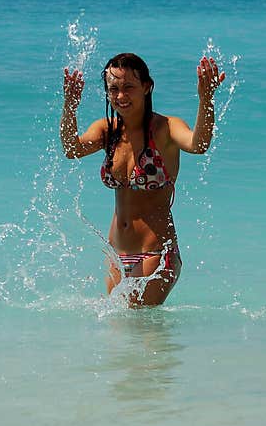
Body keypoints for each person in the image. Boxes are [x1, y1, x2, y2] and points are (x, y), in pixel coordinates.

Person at [60, 52, 225, 306]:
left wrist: (206, 99)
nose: (120, 96)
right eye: (113, 89)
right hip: (116, 255)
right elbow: (71, 149)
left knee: (142, 333)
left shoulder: (165, 128)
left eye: (128, 87)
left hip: (156, 254)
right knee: (121, 337)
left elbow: (198, 144)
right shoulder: (108, 130)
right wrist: (69, 106)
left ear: (147, 87)